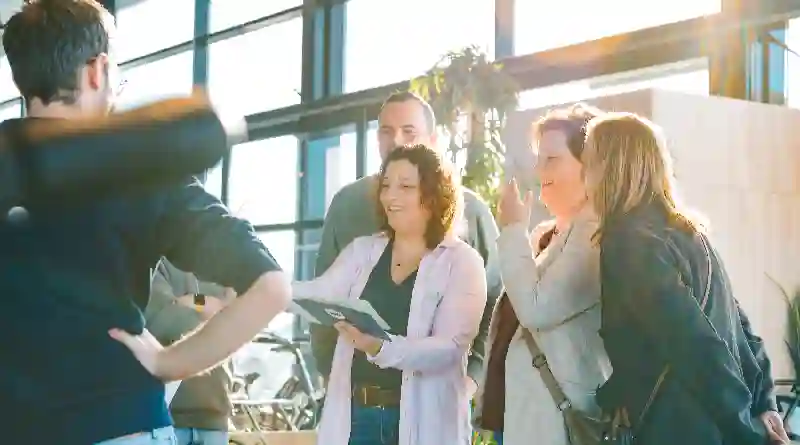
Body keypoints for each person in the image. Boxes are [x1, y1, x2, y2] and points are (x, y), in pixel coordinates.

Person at [1, 1, 290, 443]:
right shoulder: (145, 169)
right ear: (97, 71)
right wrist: (168, 363)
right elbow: (271, 287)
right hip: (120, 423)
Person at [581, 112, 790, 445]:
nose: (584, 175)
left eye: (589, 162)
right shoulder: (691, 233)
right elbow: (738, 326)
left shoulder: (628, 241)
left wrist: (748, 433)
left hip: (678, 429)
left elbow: (693, 341)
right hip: (713, 425)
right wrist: (764, 404)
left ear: (612, 167)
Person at [311, 91, 502, 401]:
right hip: (359, 401)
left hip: (437, 398)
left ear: (433, 140)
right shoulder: (348, 205)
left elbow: (495, 306)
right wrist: (330, 375)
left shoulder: (470, 211)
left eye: (409, 131)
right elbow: (323, 302)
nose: (396, 141)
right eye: (386, 131)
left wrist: (472, 381)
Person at [292, 144, 487, 445]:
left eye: (405, 186)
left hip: (425, 421)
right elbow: (319, 293)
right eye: (386, 186)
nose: (390, 196)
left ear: (434, 196)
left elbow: (449, 348)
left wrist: (380, 347)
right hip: (358, 419)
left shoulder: (462, 261)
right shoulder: (363, 250)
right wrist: (267, 288)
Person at [474, 105, 612, 445]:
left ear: (589, 167)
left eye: (552, 159)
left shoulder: (595, 232)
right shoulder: (543, 234)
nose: (539, 170)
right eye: (539, 159)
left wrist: (512, 229)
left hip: (557, 418)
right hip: (517, 414)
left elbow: (536, 309)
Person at [145, 259, 235, 445]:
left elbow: (241, 317)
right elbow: (164, 321)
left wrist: (191, 300)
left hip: (215, 418)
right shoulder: (157, 261)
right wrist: (216, 312)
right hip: (165, 417)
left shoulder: (226, 261)